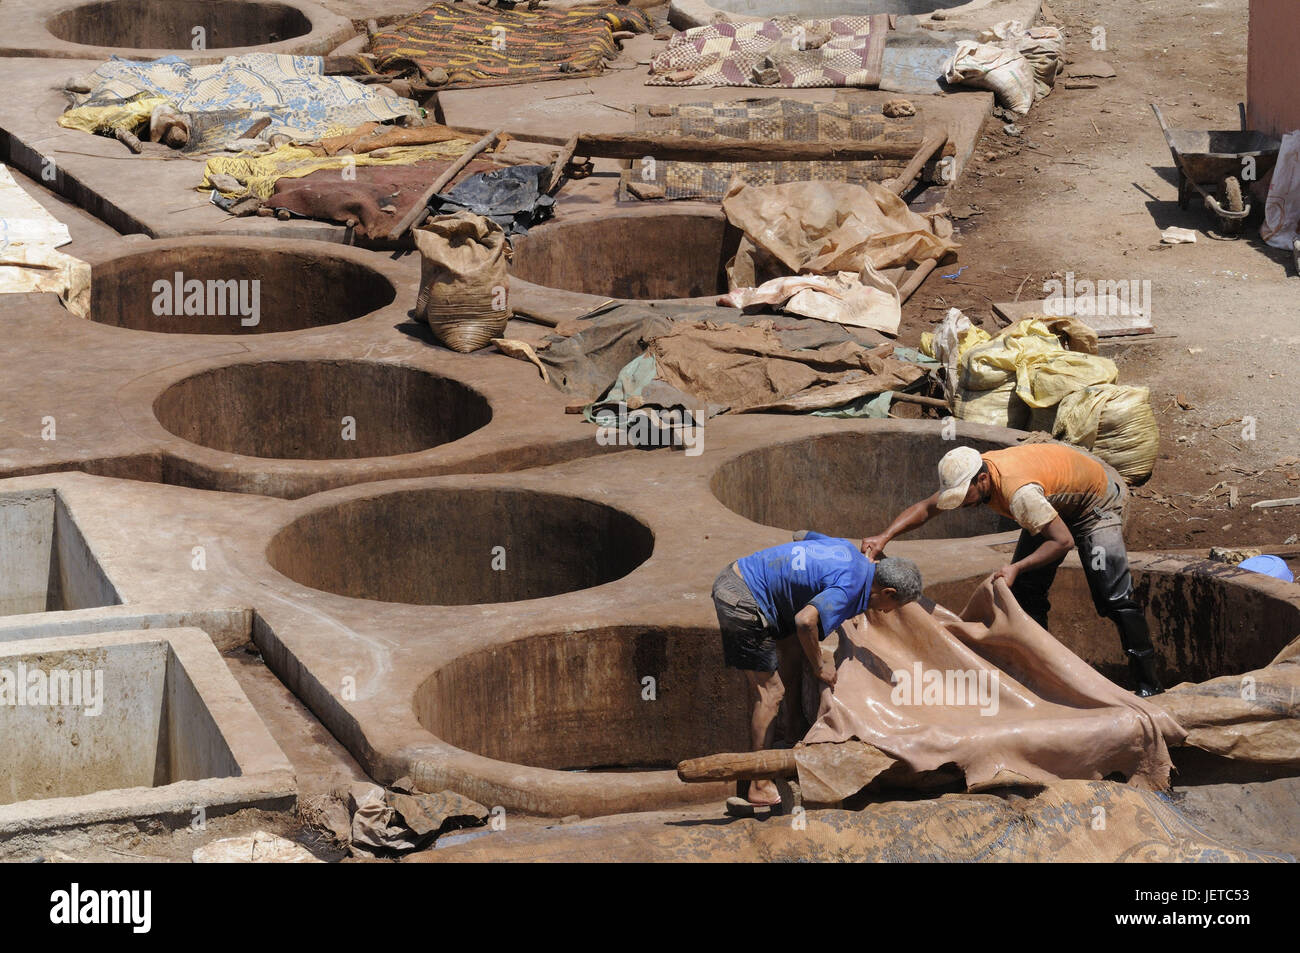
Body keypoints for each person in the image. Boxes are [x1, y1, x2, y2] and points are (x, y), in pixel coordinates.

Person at [861, 444, 1163, 697]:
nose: (963, 505)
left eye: (965, 496)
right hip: (1049, 507)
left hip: (1092, 508)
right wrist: (884, 536)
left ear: (982, 479)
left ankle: (1148, 685)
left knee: (1112, 597)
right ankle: (1047, 677)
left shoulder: (1019, 495)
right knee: (1025, 594)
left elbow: (1062, 541)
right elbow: (926, 509)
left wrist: (1017, 566)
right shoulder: (977, 474)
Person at [711, 531, 923, 806]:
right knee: (770, 693)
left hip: (740, 575)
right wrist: (819, 666)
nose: (887, 612)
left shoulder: (848, 551)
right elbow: (805, 621)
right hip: (742, 600)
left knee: (792, 647)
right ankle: (759, 785)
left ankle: (792, 732)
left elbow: (801, 536)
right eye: (893, 605)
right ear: (887, 592)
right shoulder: (850, 587)